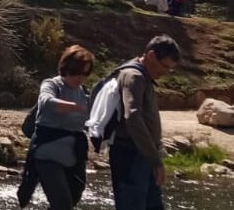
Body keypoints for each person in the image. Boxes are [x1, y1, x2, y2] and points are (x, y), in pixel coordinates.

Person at [18, 45, 95, 210]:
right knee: (62, 204)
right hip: (47, 156)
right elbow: (46, 101)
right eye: (77, 72)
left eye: (85, 74)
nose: (80, 77)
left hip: (73, 158)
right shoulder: (52, 84)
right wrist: (75, 107)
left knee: (73, 198)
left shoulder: (84, 94)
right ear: (67, 68)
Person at [110, 35, 180, 210]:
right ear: (151, 56)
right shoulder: (134, 76)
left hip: (143, 156)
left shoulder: (144, 77)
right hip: (131, 156)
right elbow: (133, 117)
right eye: (165, 66)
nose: (165, 72)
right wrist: (155, 161)